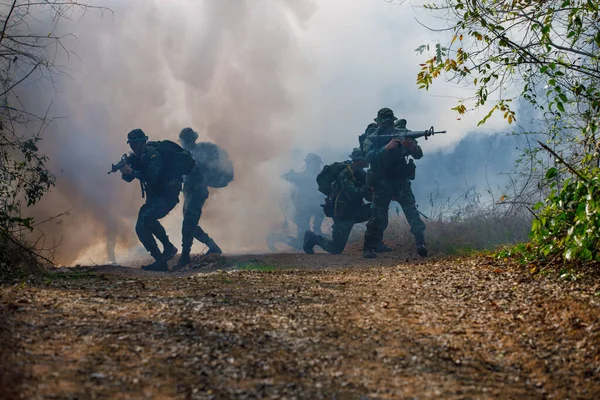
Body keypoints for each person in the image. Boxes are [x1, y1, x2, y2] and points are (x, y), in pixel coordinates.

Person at [361, 108, 427, 259]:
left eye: (389, 122)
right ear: (378, 123)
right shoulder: (372, 138)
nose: (387, 125)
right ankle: (369, 247)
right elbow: (369, 157)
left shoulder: (402, 133)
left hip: (400, 181)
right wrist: (386, 148)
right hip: (381, 182)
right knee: (377, 216)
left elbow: (419, 154)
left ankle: (420, 243)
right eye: (384, 123)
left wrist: (412, 147)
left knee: (411, 212)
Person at [120, 129, 181, 271]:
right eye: (131, 144)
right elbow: (128, 179)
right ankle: (166, 250)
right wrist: (125, 170)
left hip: (166, 196)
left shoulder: (153, 155)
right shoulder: (138, 158)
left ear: (143, 141)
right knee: (144, 221)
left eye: (136, 143)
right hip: (156, 197)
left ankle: (162, 258)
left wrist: (132, 171)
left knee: (143, 223)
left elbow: (152, 178)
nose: (133, 147)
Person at [303, 148, 372, 254]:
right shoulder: (346, 173)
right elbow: (352, 194)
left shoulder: (360, 173)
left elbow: (368, 197)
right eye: (366, 158)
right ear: (359, 160)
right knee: (336, 249)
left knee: (377, 209)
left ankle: (371, 245)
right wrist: (367, 187)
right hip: (343, 214)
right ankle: (312, 238)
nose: (368, 160)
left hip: (355, 210)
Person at [176, 127, 223, 267]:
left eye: (183, 140)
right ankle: (212, 246)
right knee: (190, 224)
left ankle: (185, 257)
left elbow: (197, 172)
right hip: (189, 192)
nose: (182, 143)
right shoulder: (188, 153)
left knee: (187, 225)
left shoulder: (198, 154)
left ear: (188, 140)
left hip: (197, 193)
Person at [269, 153, 325, 250]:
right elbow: (282, 179)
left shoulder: (314, 177)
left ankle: (316, 234)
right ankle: (276, 237)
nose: (318, 166)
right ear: (309, 164)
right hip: (301, 212)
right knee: (302, 244)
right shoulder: (300, 177)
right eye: (316, 164)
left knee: (319, 216)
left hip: (311, 209)